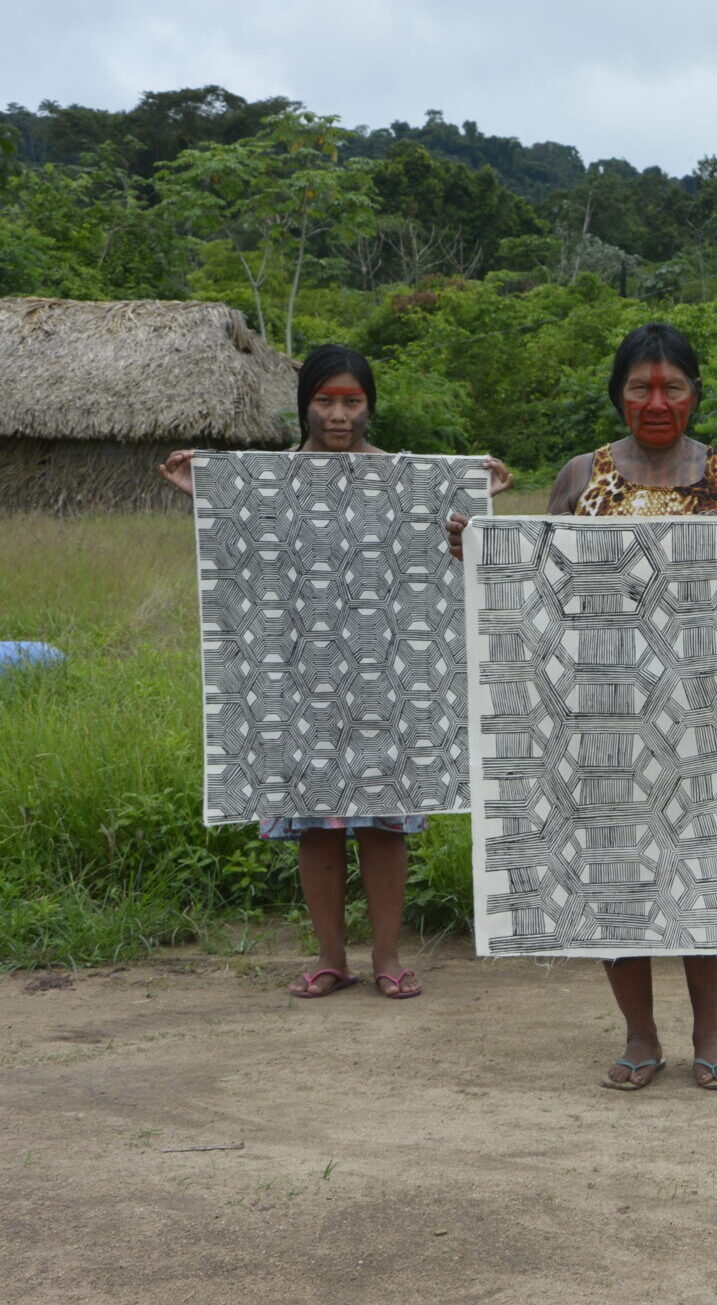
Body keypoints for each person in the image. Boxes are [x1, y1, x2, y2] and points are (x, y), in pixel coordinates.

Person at [451, 323, 717, 1091]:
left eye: (673, 387)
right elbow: (537, 577)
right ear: (618, 393)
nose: (657, 402)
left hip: (704, 716)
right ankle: (640, 1033)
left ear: (695, 393)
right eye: (640, 387)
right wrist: (485, 551)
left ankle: (710, 1029)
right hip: (600, 713)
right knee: (615, 873)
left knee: (704, 865)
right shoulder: (581, 476)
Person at [158, 343, 514, 1001]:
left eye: (352, 400)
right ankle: (330, 957)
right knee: (315, 822)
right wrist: (205, 494)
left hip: (386, 675)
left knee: (381, 821)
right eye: (325, 400)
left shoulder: (405, 478)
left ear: (370, 405)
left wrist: (473, 495)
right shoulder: (273, 477)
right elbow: (246, 553)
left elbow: (441, 557)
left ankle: (386, 956)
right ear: (305, 405)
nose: (339, 413)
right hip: (298, 676)